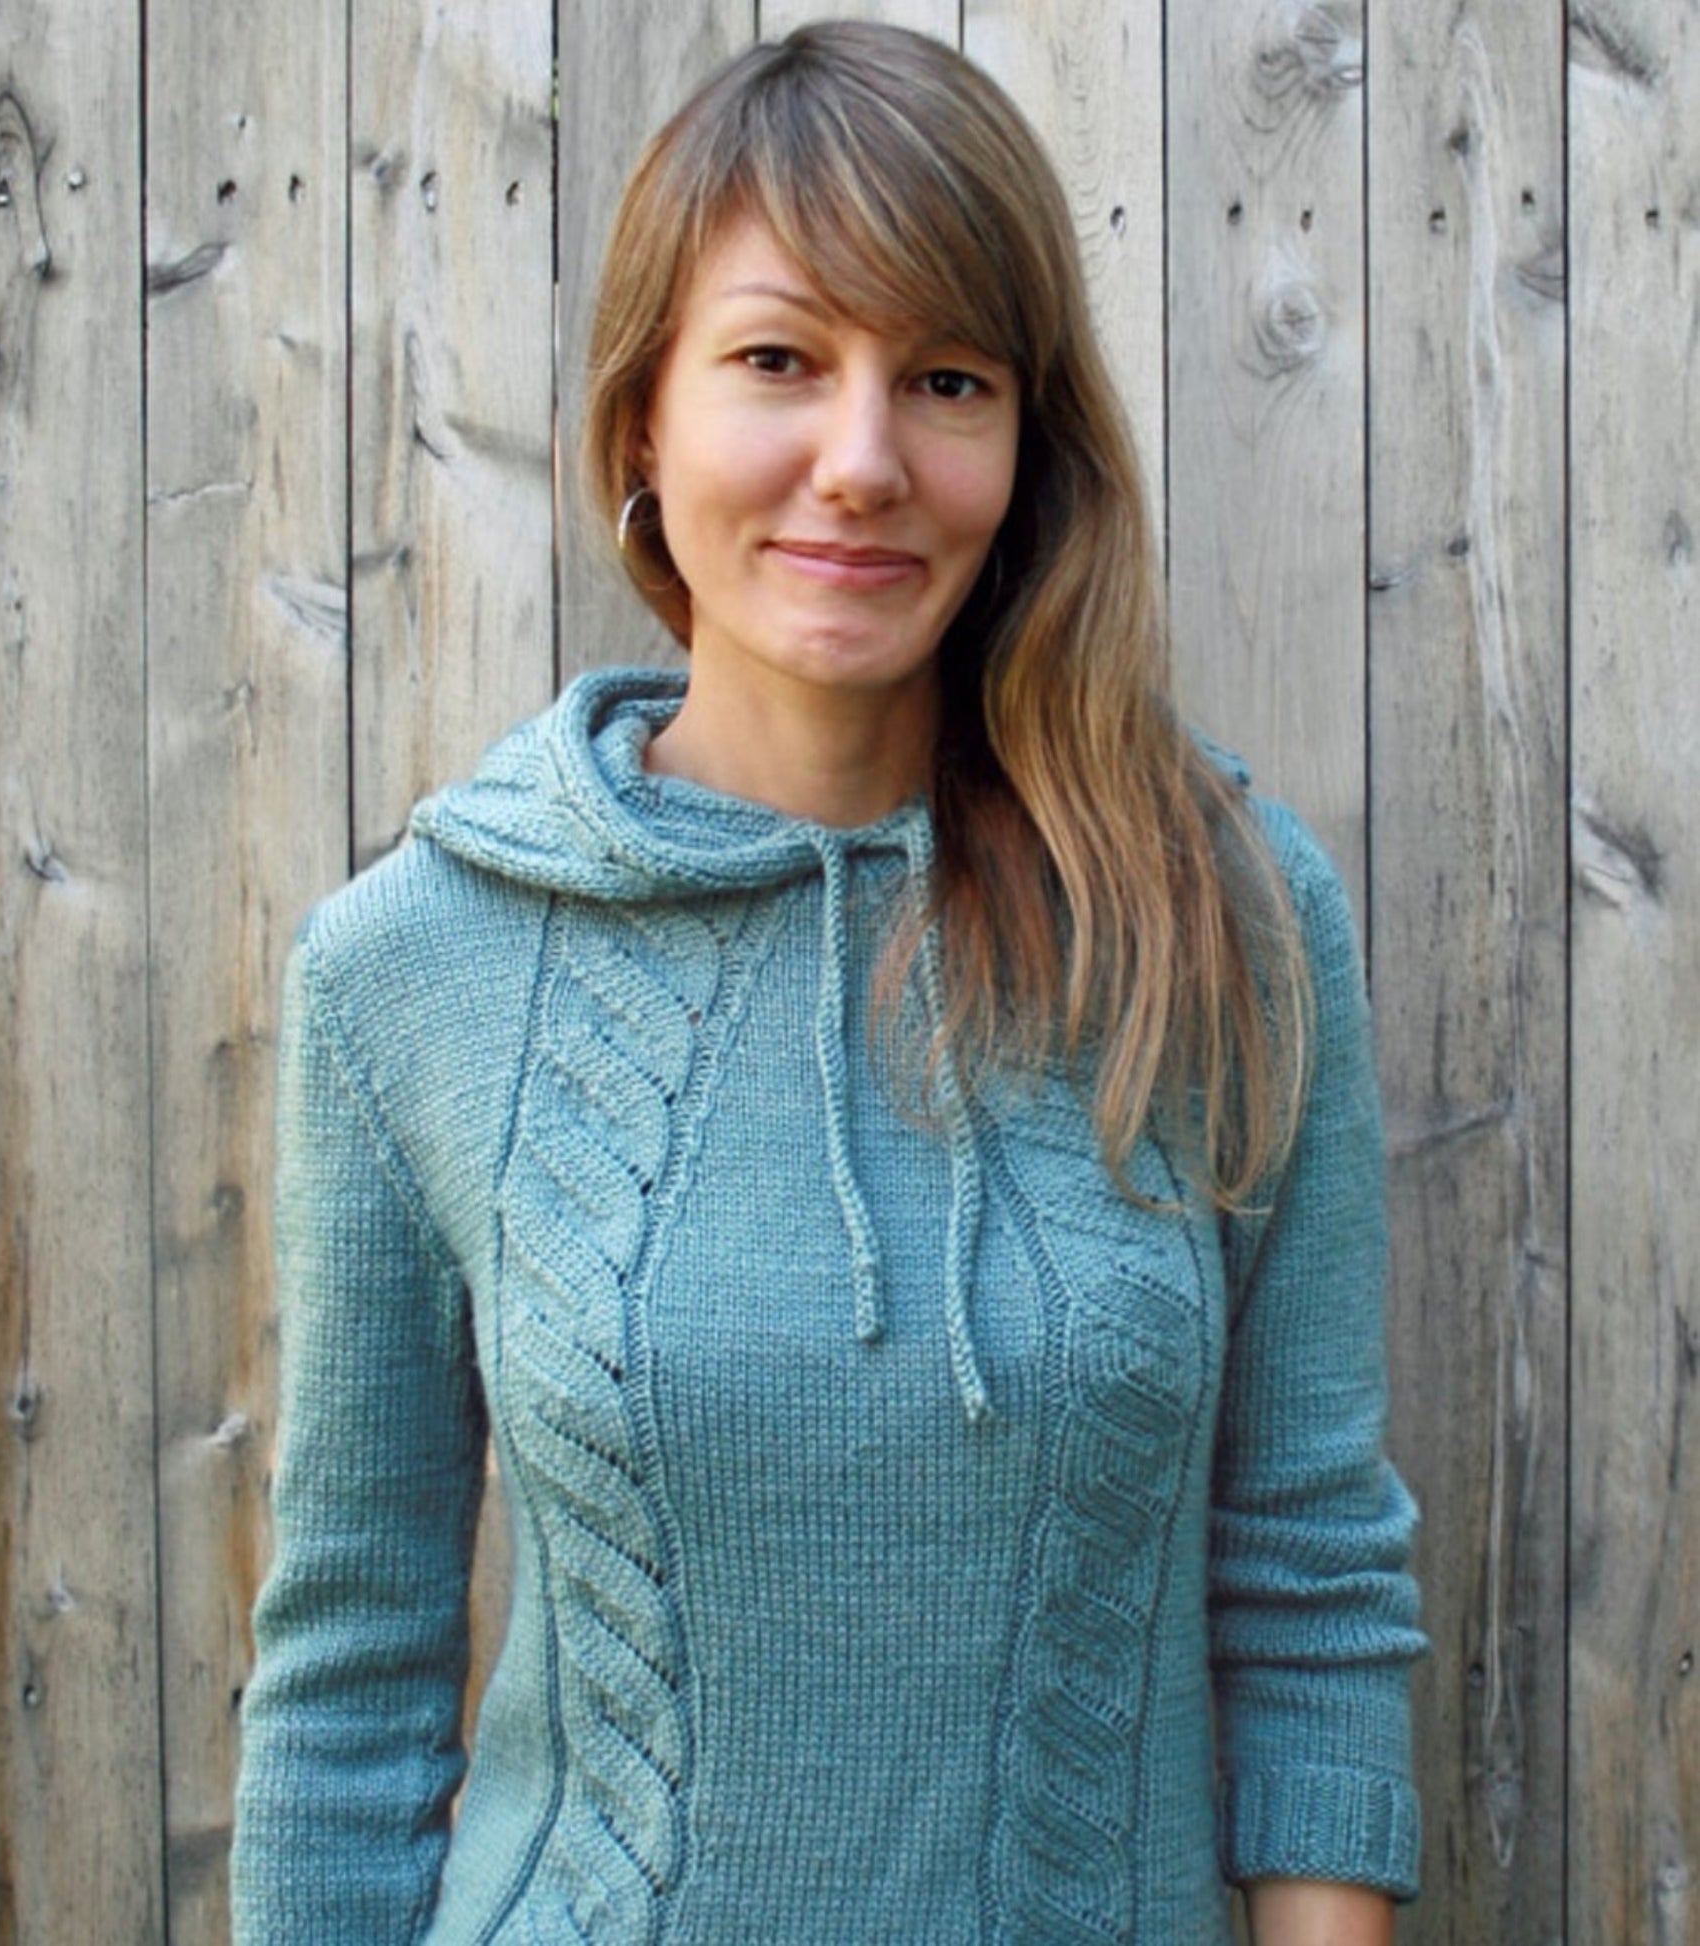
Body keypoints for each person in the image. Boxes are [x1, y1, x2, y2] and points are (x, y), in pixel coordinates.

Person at [232, 21, 1425, 1945]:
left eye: (941, 378)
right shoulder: (413, 971)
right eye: (779, 360)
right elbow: (350, 1691)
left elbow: (1308, 1595)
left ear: (1025, 444)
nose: (859, 462)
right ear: (644, 420)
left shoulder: (1221, 922)